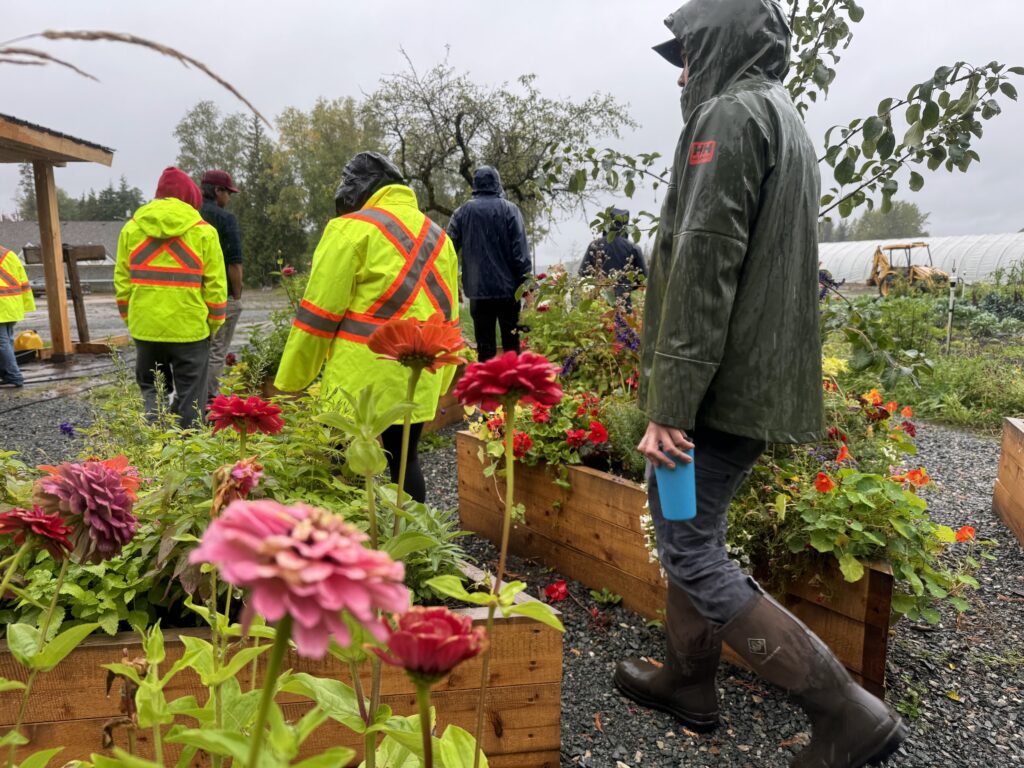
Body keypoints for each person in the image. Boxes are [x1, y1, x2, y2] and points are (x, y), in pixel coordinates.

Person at [613, 2, 907, 767]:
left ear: (721, 41)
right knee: (688, 535)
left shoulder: (729, 116)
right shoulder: (781, 115)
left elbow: (706, 260)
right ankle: (686, 679)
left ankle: (846, 712)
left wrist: (671, 400)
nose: (681, 71)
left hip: (711, 394)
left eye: (687, 51)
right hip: (742, 386)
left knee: (691, 548)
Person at [274, 152, 459, 503]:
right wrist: (442, 381)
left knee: (339, 465)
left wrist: (292, 380)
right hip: (415, 379)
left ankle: (345, 547)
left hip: (356, 382)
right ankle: (412, 549)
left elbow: (318, 315)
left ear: (365, 187)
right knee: (406, 462)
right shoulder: (440, 239)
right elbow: (449, 318)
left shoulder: (350, 230)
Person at [115, 167, 227, 428]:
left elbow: (122, 282)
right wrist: (213, 325)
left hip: (146, 328)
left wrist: (132, 319)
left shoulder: (131, 230)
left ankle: (155, 443)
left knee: (153, 388)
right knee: (192, 397)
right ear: (191, 200)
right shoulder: (203, 232)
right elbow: (216, 287)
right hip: (190, 329)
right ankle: (189, 453)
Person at [447, 166, 531, 361]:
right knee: (511, 345)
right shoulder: (510, 210)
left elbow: (447, 249)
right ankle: (512, 387)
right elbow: (521, 254)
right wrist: (527, 286)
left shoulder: (462, 213)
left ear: (475, 185)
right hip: (509, 292)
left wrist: (452, 281)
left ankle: (486, 389)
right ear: (497, 183)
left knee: (484, 348)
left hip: (478, 291)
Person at [199, 169, 244, 399]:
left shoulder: (191, 215)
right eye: (228, 193)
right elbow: (234, 263)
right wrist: (237, 297)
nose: (229, 198)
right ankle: (209, 401)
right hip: (221, 295)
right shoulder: (226, 219)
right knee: (217, 351)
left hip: (193, 295)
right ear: (218, 191)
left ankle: (189, 399)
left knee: (196, 351)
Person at [579, 207, 648, 304]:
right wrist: (625, 287)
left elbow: (583, 273)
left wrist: (598, 284)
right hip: (623, 303)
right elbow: (643, 277)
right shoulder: (633, 248)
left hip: (597, 303)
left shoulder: (595, 245)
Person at [0, 245, 35, 388]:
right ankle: (7, 374)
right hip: (12, 304)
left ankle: (14, 375)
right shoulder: (8, 254)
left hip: (2, 305)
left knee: (2, 343)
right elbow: (23, 279)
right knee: (7, 340)